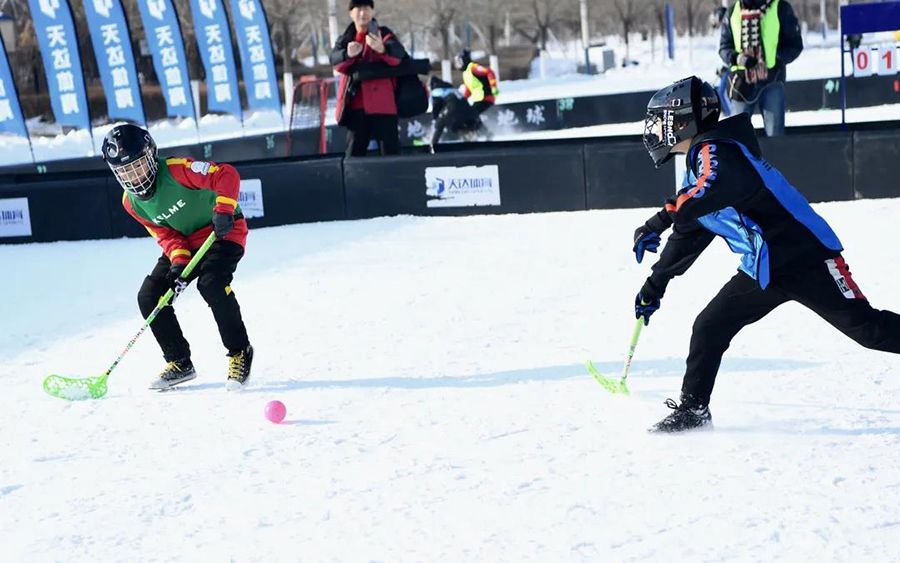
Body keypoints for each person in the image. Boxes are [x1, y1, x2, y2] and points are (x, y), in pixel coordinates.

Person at [635, 76, 900, 433]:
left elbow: (713, 188)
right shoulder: (699, 167)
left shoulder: (718, 151)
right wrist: (655, 284)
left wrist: (659, 219)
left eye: (660, 120)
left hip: (806, 256)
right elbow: (690, 232)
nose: (654, 130)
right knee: (710, 326)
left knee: (869, 330)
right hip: (765, 266)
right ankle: (693, 411)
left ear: (682, 120)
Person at [102, 124, 254, 391]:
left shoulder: (177, 170)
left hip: (222, 232)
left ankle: (240, 351)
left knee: (211, 284)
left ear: (151, 156)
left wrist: (223, 209)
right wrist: (178, 264)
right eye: (124, 172)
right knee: (149, 296)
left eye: (137, 166)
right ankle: (179, 362)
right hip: (188, 243)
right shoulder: (131, 203)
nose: (133, 177)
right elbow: (166, 235)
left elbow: (226, 174)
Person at [331, 0, 407, 157]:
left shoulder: (383, 34)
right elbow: (335, 61)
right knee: (354, 156)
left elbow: (399, 57)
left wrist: (382, 49)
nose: (362, 13)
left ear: (372, 11)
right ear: (350, 13)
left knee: (391, 156)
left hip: (384, 106)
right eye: (358, 9)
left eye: (366, 8)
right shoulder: (346, 38)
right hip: (356, 107)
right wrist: (348, 54)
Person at [719, 0, 803, 136]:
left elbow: (795, 44)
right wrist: (738, 58)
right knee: (737, 137)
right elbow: (724, 47)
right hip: (741, 85)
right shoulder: (732, 12)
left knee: (775, 135)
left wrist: (776, 58)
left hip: (772, 81)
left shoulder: (780, 7)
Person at [428, 75, 485, 151]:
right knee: (467, 122)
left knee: (440, 124)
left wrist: (436, 118)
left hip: (452, 105)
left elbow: (436, 106)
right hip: (466, 107)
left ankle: (433, 144)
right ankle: (486, 135)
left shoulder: (436, 92)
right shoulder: (453, 89)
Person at [454, 49, 499, 118]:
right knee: (467, 114)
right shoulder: (465, 73)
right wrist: (462, 100)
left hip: (486, 98)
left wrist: (493, 87)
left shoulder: (473, 67)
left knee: (471, 115)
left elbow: (489, 71)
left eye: (459, 62)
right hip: (479, 100)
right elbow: (468, 90)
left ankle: (479, 125)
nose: (458, 64)